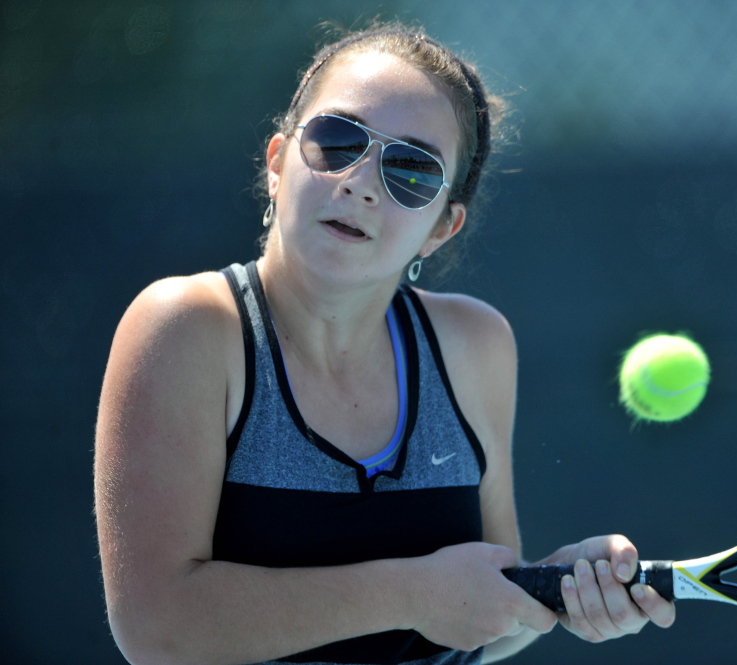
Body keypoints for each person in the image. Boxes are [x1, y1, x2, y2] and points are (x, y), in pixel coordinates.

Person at [94, 22, 675, 665]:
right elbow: (155, 627)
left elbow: (481, 620)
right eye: (337, 141)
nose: (362, 181)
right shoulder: (186, 328)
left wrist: (554, 589)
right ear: (278, 162)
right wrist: (409, 594)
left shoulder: (474, 343)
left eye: (410, 168)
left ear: (441, 227)